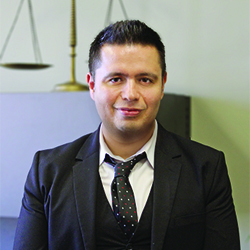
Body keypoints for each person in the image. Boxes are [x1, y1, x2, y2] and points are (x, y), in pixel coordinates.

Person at [14, 20, 240, 250]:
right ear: (92, 86)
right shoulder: (48, 171)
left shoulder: (207, 168)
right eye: (115, 79)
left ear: (162, 85)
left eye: (145, 80)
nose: (130, 94)